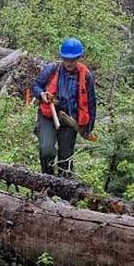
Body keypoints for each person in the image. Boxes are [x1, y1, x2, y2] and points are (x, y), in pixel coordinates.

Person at [31, 37, 96, 177]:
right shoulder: (52, 69)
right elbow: (35, 86)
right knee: (46, 150)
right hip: (48, 115)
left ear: (78, 58)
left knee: (65, 158)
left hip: (70, 121)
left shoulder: (86, 76)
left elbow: (91, 103)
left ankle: (64, 189)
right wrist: (41, 94)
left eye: (73, 59)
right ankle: (47, 180)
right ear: (62, 57)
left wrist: (88, 128)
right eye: (66, 59)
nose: (69, 62)